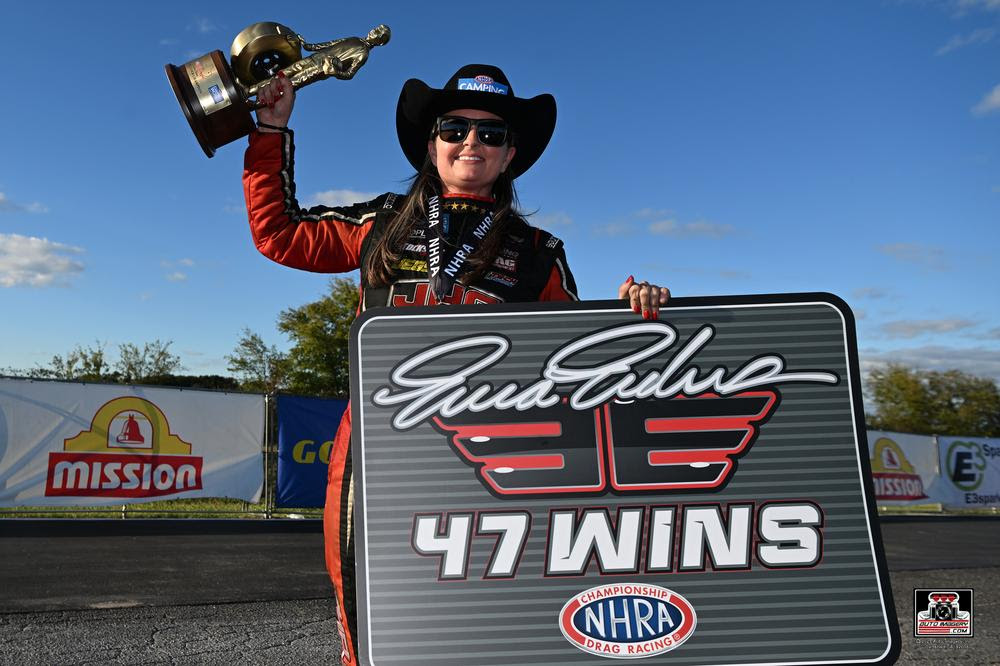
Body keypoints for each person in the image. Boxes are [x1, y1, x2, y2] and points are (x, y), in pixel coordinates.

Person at [243, 63, 669, 665]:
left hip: (488, 464)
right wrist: (270, 129)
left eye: (491, 134)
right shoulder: (380, 222)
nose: (472, 141)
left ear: (510, 154)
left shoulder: (540, 252)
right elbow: (278, 234)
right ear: (432, 143)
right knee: (372, 614)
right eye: (455, 127)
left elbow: (582, 364)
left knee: (487, 620)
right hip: (373, 453)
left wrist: (635, 313)